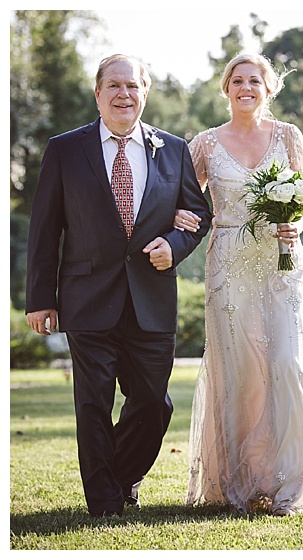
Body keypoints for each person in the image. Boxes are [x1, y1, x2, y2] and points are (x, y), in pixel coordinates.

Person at [24, 54, 211, 517]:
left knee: (153, 403)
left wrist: (176, 243)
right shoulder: (66, 150)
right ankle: (105, 502)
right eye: (114, 86)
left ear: (145, 92)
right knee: (93, 402)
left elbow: (197, 214)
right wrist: (40, 298)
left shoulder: (172, 149)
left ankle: (121, 476)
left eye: (133, 85)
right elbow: (45, 228)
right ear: (98, 93)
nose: (124, 94)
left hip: (151, 298)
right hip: (86, 297)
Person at [172, 53, 303, 516]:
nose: (245, 87)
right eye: (237, 80)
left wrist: (300, 224)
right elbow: (174, 191)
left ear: (269, 88)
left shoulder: (290, 137)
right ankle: (240, 482)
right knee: (241, 374)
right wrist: (176, 214)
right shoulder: (206, 144)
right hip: (230, 264)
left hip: (282, 263)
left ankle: (288, 482)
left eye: (254, 79)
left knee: (287, 363)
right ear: (226, 88)